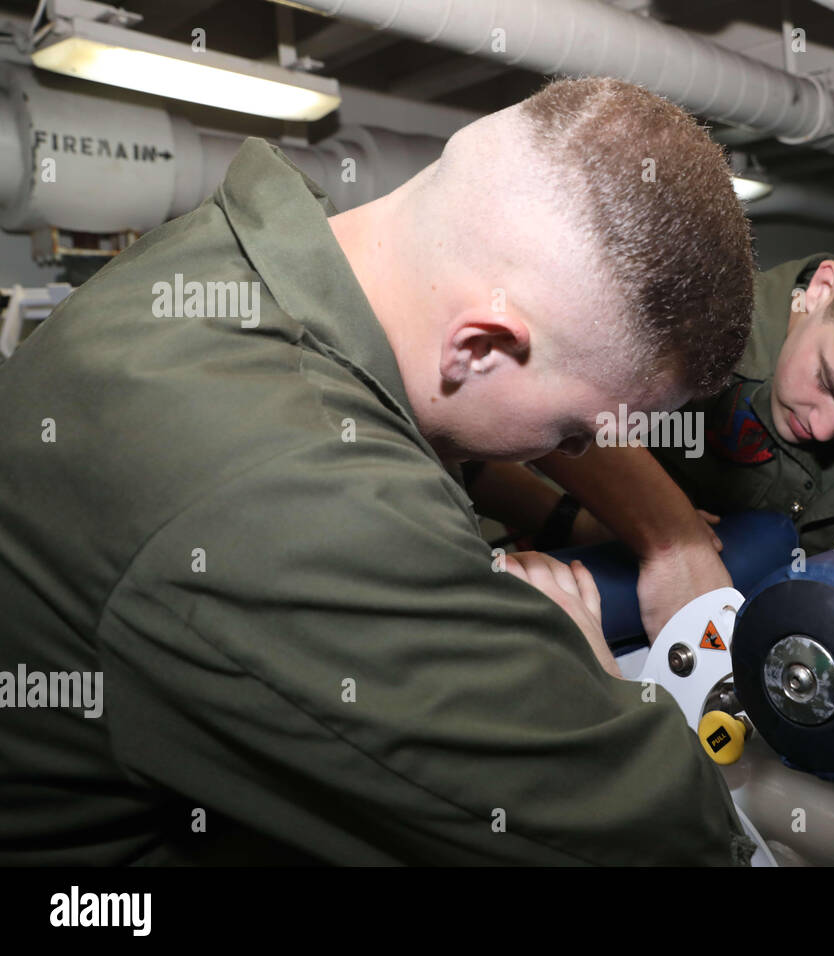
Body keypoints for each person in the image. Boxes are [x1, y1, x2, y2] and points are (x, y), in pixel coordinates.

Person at [0, 78, 761, 865]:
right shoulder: (307, 501)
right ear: (479, 348)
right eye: (577, 430)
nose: (578, 457)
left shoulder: (258, 246)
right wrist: (591, 681)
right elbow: (664, 845)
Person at [470, 225, 834, 637]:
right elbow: (517, 395)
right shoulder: (686, 321)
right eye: (827, 383)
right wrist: (664, 538)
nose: (824, 430)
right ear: (822, 289)